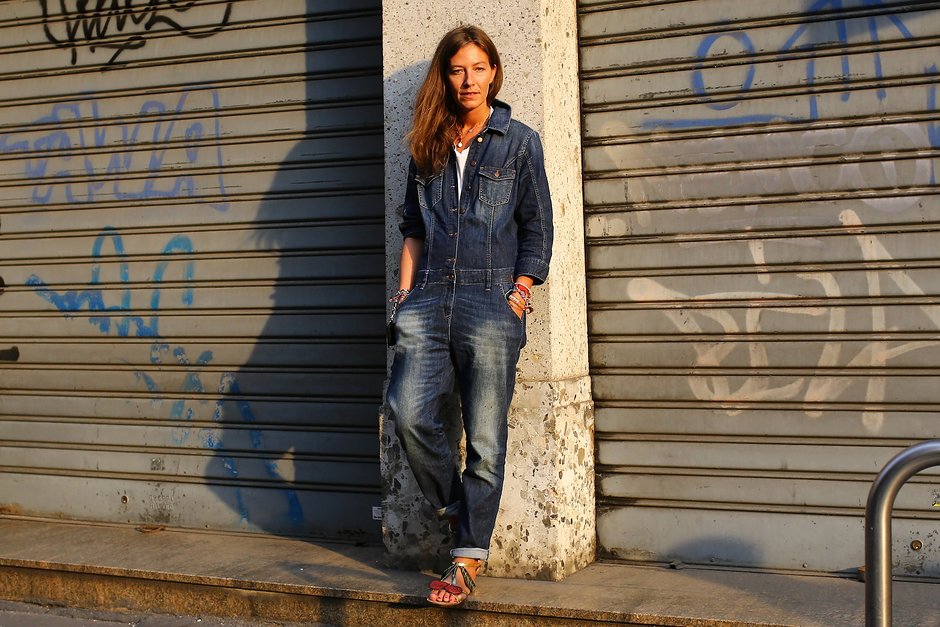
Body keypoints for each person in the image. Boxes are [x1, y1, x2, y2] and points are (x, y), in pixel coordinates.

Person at [385, 24, 553, 608]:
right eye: (458, 69)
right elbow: (412, 228)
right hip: (428, 298)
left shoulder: (519, 142)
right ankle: (461, 511)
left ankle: (465, 559)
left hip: (491, 300)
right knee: (406, 412)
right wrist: (404, 298)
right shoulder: (427, 144)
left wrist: (520, 291)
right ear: (446, 75)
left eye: (479, 68)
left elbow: (537, 228)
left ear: (494, 73)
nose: (469, 80)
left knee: (484, 437)